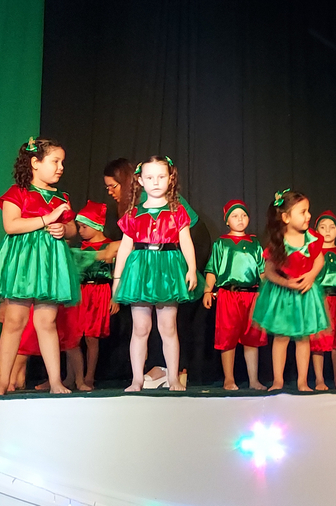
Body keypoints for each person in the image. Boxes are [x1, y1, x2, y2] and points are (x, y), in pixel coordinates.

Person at [0, 138, 81, 395]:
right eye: (55, 161)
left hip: (49, 266)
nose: (60, 167)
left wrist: (64, 229)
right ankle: (2, 381)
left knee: (47, 322)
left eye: (62, 162)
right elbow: (11, 225)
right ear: (35, 163)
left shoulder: (61, 197)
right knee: (14, 320)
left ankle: (56, 381)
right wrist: (47, 219)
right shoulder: (18, 192)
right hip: (24, 264)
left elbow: (73, 229)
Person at [112, 156, 197, 392]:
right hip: (140, 271)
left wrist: (191, 268)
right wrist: (117, 278)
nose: (156, 182)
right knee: (140, 328)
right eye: (149, 177)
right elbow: (125, 247)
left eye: (161, 176)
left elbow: (186, 241)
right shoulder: (133, 213)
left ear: (170, 179)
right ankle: (137, 379)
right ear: (140, 180)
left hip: (168, 270)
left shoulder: (177, 211)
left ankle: (173, 378)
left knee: (168, 328)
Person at [251, 189, 330, 392]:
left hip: (305, 293)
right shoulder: (279, 242)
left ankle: (302, 381)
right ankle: (278, 380)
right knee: (281, 337)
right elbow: (269, 271)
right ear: (286, 217)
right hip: (283, 294)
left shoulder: (312, 238)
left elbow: (319, 260)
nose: (308, 216)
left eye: (308, 211)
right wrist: (286, 283)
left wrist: (310, 276)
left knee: (303, 338)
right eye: (303, 212)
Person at [203, 200, 267, 391]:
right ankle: (229, 379)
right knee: (228, 337)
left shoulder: (255, 244)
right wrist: (207, 291)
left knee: (252, 338)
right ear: (226, 220)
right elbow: (212, 269)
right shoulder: (221, 243)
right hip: (228, 295)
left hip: (252, 296)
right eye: (235, 216)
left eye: (244, 215)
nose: (240, 219)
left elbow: (262, 271)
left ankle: (253, 380)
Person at [72, 201, 117, 390]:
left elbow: (117, 273)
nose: (80, 231)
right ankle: (71, 377)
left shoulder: (110, 247)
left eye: (84, 226)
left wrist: (115, 298)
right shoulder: (79, 249)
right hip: (80, 291)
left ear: (97, 225)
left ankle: (89, 376)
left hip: (99, 291)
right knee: (73, 336)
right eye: (79, 227)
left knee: (92, 336)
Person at [310, 211, 336, 391]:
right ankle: (319, 379)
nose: (327, 231)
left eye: (331, 227)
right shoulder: (313, 253)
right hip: (320, 302)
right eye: (323, 227)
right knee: (318, 342)